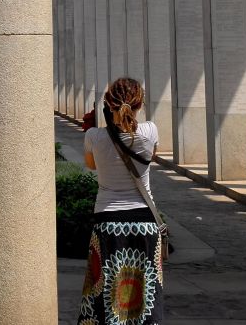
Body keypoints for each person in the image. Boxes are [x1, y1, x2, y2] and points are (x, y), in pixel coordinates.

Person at [77, 77, 164, 325]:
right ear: (140, 104)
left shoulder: (94, 136)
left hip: (107, 222)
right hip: (145, 224)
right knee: (146, 299)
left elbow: (91, 166)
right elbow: (151, 157)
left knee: (105, 295)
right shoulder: (149, 131)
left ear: (107, 105)